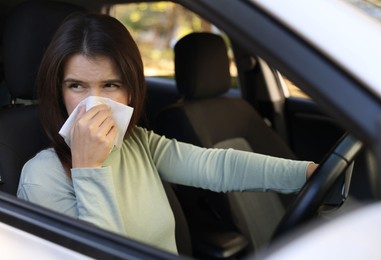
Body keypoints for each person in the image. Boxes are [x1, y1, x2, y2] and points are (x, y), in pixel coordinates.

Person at [17, 13, 317, 254]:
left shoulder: (138, 144)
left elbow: (217, 166)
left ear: (131, 90)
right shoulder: (41, 177)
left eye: (110, 85)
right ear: (58, 91)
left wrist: (306, 173)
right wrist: (88, 169)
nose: (93, 104)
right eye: (76, 86)